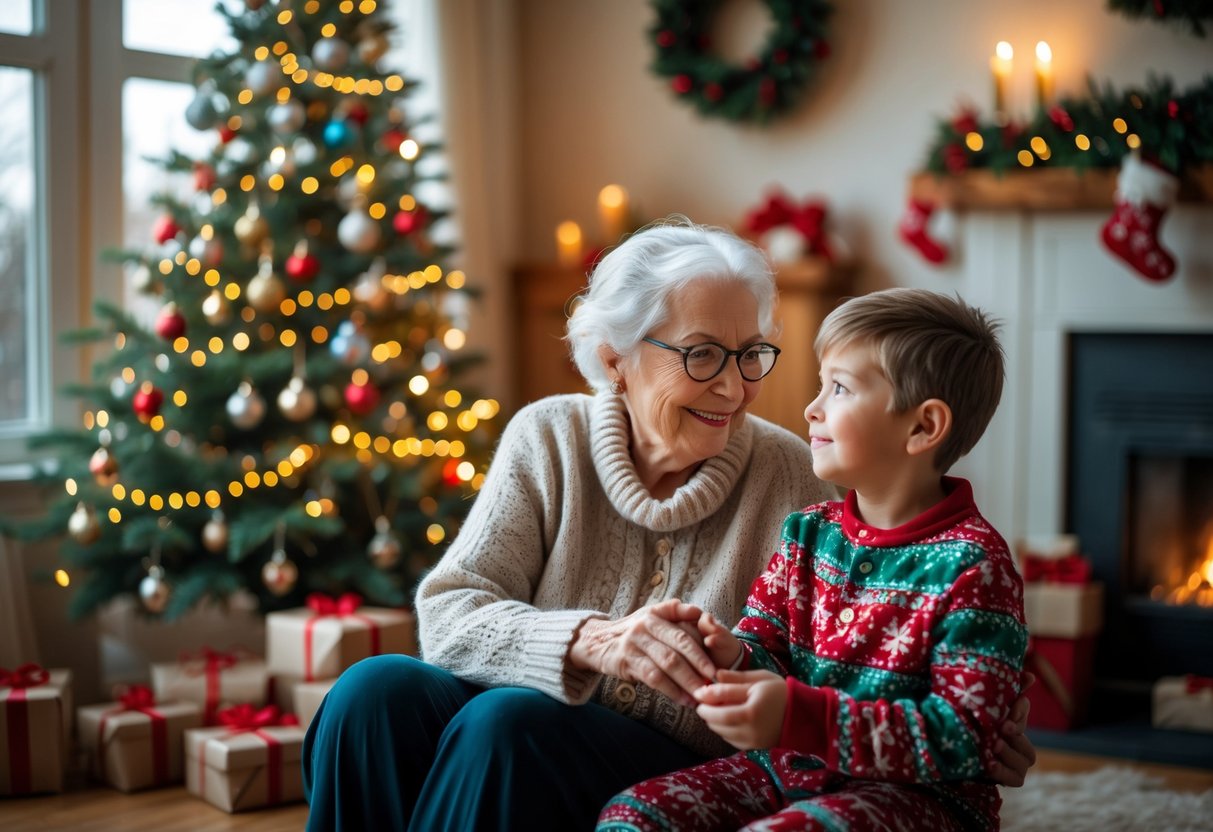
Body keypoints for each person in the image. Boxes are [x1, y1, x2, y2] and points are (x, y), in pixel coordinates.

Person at [302, 222, 1037, 831]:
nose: (735, 385)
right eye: (702, 354)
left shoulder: (801, 478)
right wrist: (594, 642)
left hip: (683, 754)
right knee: (374, 691)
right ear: (614, 359)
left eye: (749, 353)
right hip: (529, 712)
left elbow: (908, 601)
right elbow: (448, 616)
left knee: (507, 723)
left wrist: (989, 725)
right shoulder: (547, 438)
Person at [597, 288, 1028, 832]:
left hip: (919, 803)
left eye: (840, 388)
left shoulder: (973, 566)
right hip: (787, 772)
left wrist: (801, 717)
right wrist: (730, 656)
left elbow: (965, 736)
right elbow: (766, 652)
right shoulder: (808, 533)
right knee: (632, 814)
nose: (812, 407)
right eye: (822, 384)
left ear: (922, 428)